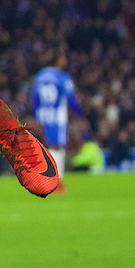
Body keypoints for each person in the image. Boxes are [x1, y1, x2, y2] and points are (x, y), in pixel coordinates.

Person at [32, 52, 83, 180]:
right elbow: (70, 97)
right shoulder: (61, 76)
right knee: (57, 146)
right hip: (57, 115)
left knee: (48, 145)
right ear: (58, 60)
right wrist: (79, 112)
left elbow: (34, 99)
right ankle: (56, 179)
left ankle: (49, 176)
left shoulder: (40, 76)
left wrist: (35, 115)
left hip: (42, 114)